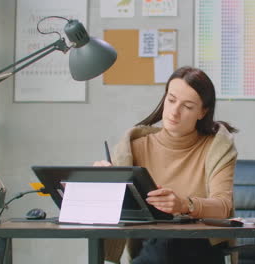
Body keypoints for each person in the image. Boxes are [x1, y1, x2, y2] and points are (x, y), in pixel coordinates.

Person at [94, 66, 238, 264]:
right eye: (171, 100)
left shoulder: (217, 148)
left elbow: (223, 207)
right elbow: (116, 209)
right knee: (160, 248)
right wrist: (99, 184)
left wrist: (184, 205)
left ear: (202, 112)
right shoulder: (133, 148)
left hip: (199, 247)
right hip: (151, 248)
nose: (174, 112)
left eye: (187, 107)